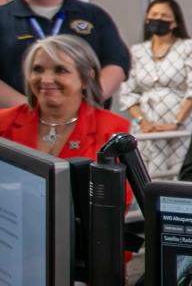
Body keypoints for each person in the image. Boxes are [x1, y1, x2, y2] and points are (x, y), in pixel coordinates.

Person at [0, 0, 129, 108]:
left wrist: (84, 103)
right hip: (19, 125)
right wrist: (32, 109)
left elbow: (116, 64)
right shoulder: (2, 18)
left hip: (86, 123)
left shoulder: (93, 16)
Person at [0, 36, 132, 186]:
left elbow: (118, 198)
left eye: (60, 70)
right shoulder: (4, 122)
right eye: (38, 69)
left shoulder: (113, 129)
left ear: (87, 77)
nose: (46, 79)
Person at [118, 0, 192, 178]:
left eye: (164, 15)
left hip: (180, 125)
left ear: (174, 22)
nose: (158, 19)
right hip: (146, 128)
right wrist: (143, 122)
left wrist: (176, 123)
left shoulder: (189, 46)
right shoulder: (136, 51)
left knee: (180, 175)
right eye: (154, 15)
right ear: (146, 18)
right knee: (145, 175)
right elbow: (128, 93)